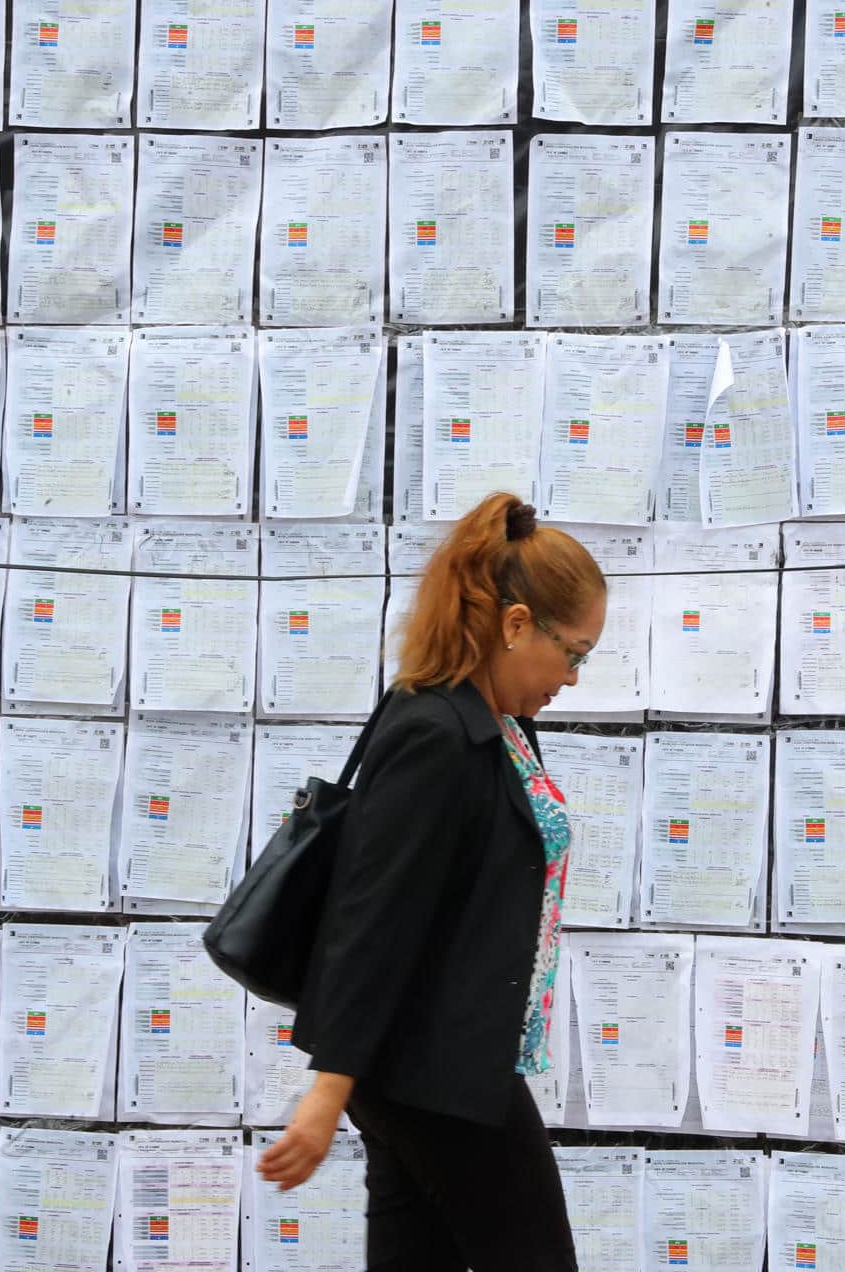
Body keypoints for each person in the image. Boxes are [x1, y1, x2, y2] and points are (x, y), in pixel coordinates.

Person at [259, 491, 607, 1271]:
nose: (574, 678)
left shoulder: (499, 726)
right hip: (432, 1070)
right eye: (574, 653)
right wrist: (326, 1093)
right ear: (516, 625)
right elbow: (372, 919)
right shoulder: (435, 733)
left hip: (432, 1066)